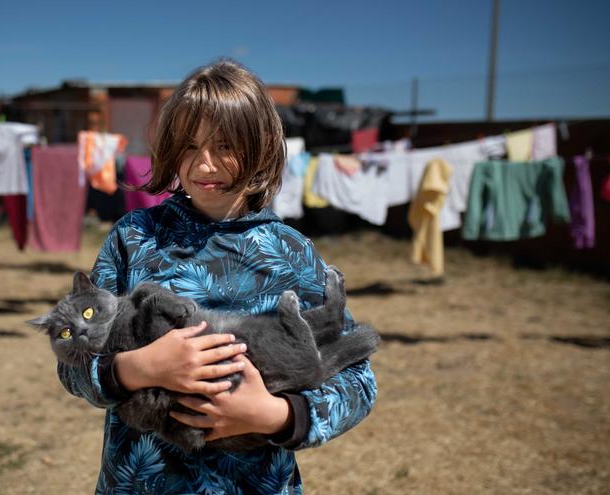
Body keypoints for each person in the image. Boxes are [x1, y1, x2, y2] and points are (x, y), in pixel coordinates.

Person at [59, 59, 377, 494]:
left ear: (262, 146)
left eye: (225, 145)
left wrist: (273, 415)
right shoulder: (134, 238)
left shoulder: (292, 252)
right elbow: (72, 363)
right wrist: (137, 368)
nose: (204, 164)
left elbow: (358, 380)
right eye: (189, 146)